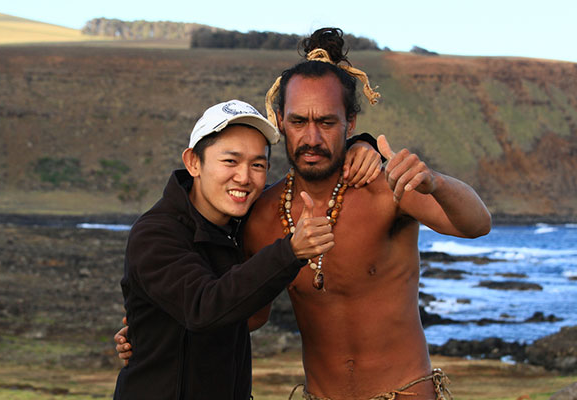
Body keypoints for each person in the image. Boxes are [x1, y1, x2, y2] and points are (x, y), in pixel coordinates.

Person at [117, 28, 492, 399]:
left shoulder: (386, 187)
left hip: (404, 393)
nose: (311, 138)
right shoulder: (261, 214)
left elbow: (477, 224)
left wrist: (436, 182)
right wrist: (155, 328)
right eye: (299, 122)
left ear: (351, 123)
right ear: (281, 121)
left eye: (327, 123)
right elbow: (242, 312)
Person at [112, 98, 382, 400]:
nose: (244, 177)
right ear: (193, 162)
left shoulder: (241, 222)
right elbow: (205, 307)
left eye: (257, 165)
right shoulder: (155, 234)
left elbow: (313, 176)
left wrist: (362, 145)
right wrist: (291, 252)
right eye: (230, 161)